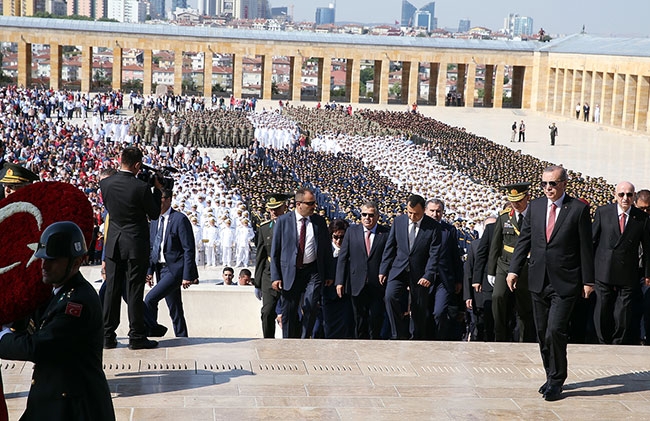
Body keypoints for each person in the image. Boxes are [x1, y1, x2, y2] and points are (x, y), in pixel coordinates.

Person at [0, 221, 115, 420]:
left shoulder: (78, 302)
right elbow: (31, 322)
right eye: (43, 258)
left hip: (73, 408)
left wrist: (1, 337)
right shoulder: (55, 292)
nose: (44, 265)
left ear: (77, 262)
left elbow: (39, 346)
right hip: (50, 400)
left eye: (53, 260)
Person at [507, 165, 594, 402]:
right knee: (543, 332)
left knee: (556, 330)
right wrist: (514, 270)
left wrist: (588, 280)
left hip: (565, 281)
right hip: (538, 280)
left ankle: (557, 380)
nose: (548, 188)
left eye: (553, 184)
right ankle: (549, 376)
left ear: (564, 184)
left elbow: (586, 248)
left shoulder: (577, 209)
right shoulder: (534, 207)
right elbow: (524, 241)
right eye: (544, 184)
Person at [99, 146, 162, 350]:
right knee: (134, 290)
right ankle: (136, 336)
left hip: (114, 243)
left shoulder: (105, 183)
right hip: (135, 244)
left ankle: (107, 336)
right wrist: (157, 190)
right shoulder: (141, 187)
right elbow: (154, 214)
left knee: (112, 290)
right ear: (137, 165)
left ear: (120, 160)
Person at [270, 187, 334, 339]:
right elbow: (275, 251)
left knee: (311, 305)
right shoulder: (283, 221)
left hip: (313, 271)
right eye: (310, 203)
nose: (313, 206)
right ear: (299, 204)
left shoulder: (319, 221)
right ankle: (289, 342)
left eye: (314, 203)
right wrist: (276, 276)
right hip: (290, 272)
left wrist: (330, 273)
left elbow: (325, 250)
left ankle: (305, 340)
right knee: (289, 311)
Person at [592, 182, 650, 344]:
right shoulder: (603, 212)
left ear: (634, 196)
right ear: (615, 195)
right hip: (603, 270)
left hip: (627, 272)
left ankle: (618, 343)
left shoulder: (642, 218)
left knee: (623, 314)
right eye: (621, 194)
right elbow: (592, 241)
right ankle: (602, 341)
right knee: (602, 309)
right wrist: (588, 272)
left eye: (629, 195)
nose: (625, 198)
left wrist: (647, 274)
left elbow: (647, 248)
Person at [380, 194, 441, 340]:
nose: (412, 216)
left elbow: (434, 254)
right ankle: (398, 334)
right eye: (410, 213)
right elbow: (390, 247)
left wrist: (428, 275)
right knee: (390, 297)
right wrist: (383, 269)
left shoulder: (433, 227)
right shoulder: (399, 222)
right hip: (399, 269)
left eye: (416, 214)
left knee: (418, 308)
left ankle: (417, 338)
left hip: (420, 273)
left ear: (424, 211)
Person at [144, 188, 199, 338]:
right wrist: (149, 271)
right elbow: (152, 247)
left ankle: (152, 332)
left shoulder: (179, 219)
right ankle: (182, 337)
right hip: (159, 269)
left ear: (169, 199)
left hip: (174, 270)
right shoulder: (155, 220)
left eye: (160, 199)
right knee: (175, 308)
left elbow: (189, 249)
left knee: (150, 299)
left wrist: (187, 275)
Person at [488, 183, 535, 343]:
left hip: (526, 267)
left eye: (519, 200)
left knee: (525, 307)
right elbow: (495, 245)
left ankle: (525, 340)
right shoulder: (504, 217)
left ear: (527, 197)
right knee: (498, 297)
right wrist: (491, 271)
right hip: (505, 265)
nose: (516, 204)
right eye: (512, 200)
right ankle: (500, 337)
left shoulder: (535, 216)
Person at [336, 201, 390, 339]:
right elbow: (343, 258)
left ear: (377, 216)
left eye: (371, 215)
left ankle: (374, 346)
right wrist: (340, 282)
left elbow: (389, 256)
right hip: (356, 282)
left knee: (376, 318)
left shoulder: (385, 233)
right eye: (364, 214)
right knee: (359, 319)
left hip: (377, 284)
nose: (367, 218)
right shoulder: (351, 232)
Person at [424, 199, 463, 340]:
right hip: (424, 277)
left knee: (439, 312)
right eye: (432, 211)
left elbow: (455, 256)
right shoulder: (420, 229)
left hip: (444, 279)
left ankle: (440, 340)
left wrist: (458, 279)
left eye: (438, 211)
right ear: (425, 211)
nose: (435, 214)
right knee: (424, 313)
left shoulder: (449, 230)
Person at [254, 193, 289, 338]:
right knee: (267, 311)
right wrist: (257, 283)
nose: (273, 212)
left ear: (285, 207)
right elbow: (260, 257)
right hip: (268, 274)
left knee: (289, 313)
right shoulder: (264, 228)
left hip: (288, 272)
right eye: (271, 209)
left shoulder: (291, 226)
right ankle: (267, 341)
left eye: (277, 208)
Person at [320, 218, 353, 339]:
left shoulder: (352, 250)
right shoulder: (325, 250)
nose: (338, 241)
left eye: (342, 237)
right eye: (335, 237)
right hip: (329, 296)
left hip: (346, 296)